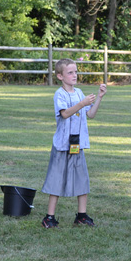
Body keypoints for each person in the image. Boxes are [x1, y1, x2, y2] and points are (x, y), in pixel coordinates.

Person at [41, 58, 106, 228]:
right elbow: (64, 114)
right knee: (57, 179)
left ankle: (82, 215)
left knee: (81, 179)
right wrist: (82, 103)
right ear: (60, 76)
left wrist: (98, 98)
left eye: (76, 71)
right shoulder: (59, 94)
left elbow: (90, 114)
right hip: (62, 145)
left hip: (77, 144)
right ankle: (49, 217)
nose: (74, 75)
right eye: (70, 72)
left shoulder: (79, 92)